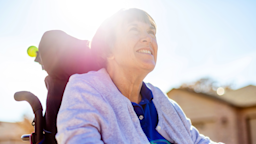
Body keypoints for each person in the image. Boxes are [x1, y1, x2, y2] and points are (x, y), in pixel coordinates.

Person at [56, 8, 223, 144]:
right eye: (134, 30)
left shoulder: (164, 103)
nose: (148, 38)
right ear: (108, 50)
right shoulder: (85, 90)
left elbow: (198, 141)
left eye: (151, 32)